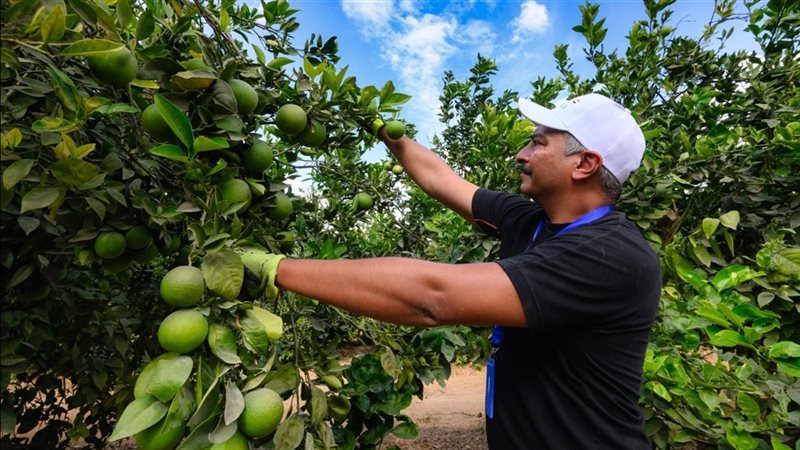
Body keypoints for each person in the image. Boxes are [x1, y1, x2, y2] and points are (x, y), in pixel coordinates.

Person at [248, 93, 661, 449]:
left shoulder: (609, 256)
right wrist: (380, 129)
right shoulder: (531, 220)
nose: (522, 154)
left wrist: (276, 269)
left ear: (585, 163)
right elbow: (438, 178)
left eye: (538, 143)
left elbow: (433, 298)